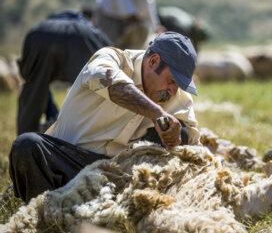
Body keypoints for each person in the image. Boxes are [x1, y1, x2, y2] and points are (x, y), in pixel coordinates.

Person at [9, 31, 201, 203]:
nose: (173, 90)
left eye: (179, 85)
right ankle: (51, 210)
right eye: (171, 81)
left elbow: (193, 147)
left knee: (180, 133)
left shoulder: (175, 96)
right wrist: (157, 113)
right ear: (153, 61)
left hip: (119, 173)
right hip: (70, 162)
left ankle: (129, 204)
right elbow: (115, 86)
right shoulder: (111, 59)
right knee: (27, 146)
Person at [17, 9, 112, 135]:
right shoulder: (92, 30)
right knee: (95, 90)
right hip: (82, 38)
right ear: (92, 21)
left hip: (40, 35)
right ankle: (89, 137)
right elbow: (114, 62)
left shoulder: (45, 24)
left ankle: (25, 141)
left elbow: (27, 72)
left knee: (35, 87)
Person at [95, 0, 165, 49]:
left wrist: (156, 26)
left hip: (127, 18)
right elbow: (122, 0)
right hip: (109, 14)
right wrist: (134, 17)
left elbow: (147, 3)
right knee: (109, 46)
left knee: (125, 48)